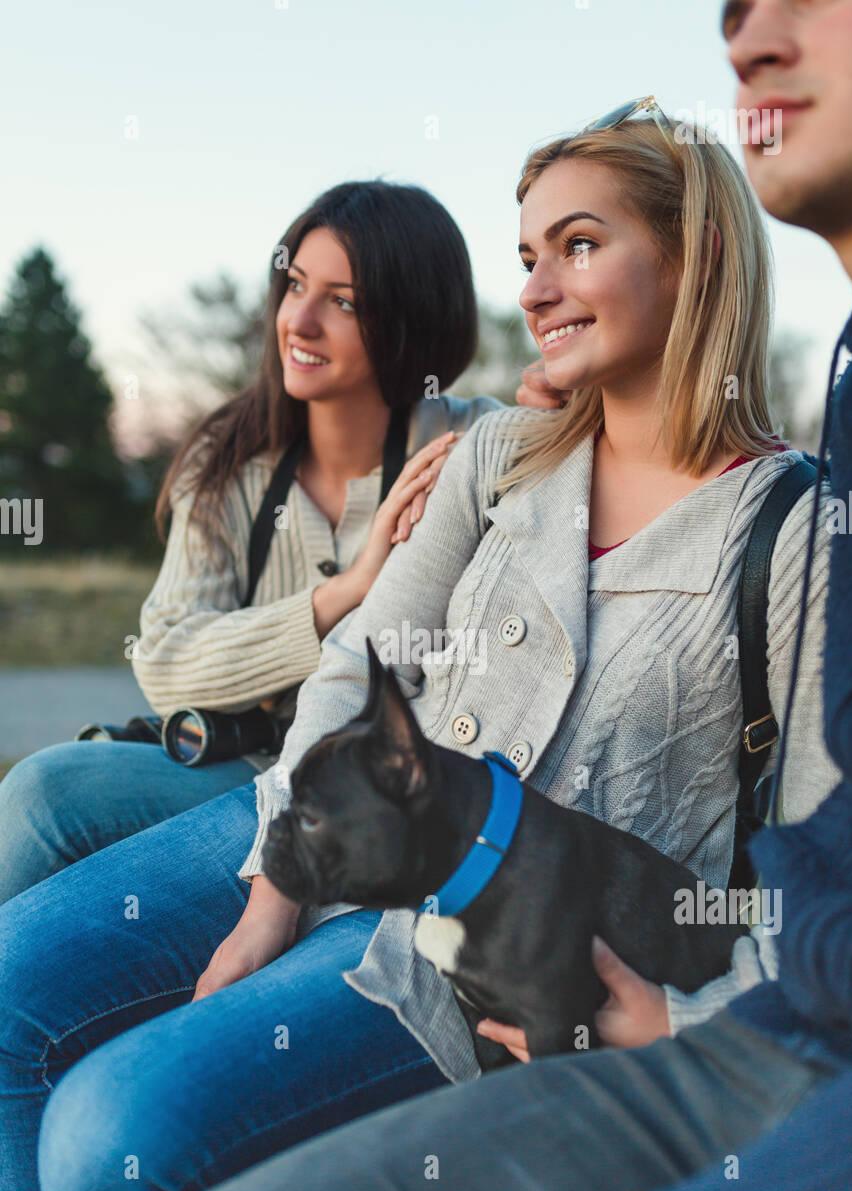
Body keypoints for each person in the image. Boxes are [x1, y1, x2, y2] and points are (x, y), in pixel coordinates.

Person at [46, 0, 852, 1191]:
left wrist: (685, 1026)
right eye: (527, 252)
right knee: (54, 1002)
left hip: (540, 981)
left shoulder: (798, 525)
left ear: (697, 254)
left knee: (116, 1140)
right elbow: (353, 668)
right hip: (375, 908)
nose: (533, 286)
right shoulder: (498, 452)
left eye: (578, 245)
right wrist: (266, 905)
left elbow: (817, 855)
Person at [0, 180, 502, 906]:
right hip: (242, 766)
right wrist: (345, 591)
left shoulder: (469, 442)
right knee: (42, 794)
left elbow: (601, 428)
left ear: (412, 319)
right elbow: (165, 658)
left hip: (392, 792)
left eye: (343, 300)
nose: (298, 319)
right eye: (295, 284)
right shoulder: (226, 459)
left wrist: (567, 393)